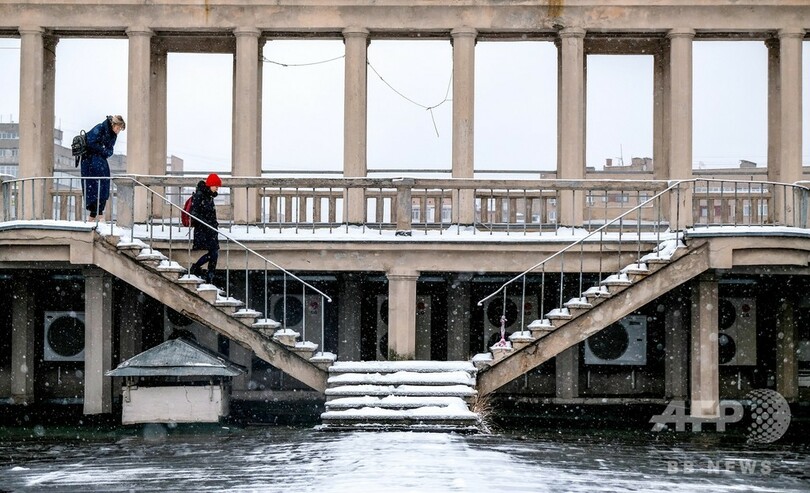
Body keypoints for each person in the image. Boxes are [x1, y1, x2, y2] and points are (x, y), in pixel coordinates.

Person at [81, 115, 125, 222]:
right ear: (113, 124)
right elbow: (91, 142)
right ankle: (99, 217)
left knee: (102, 187)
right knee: (95, 188)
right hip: (90, 162)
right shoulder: (100, 128)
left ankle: (94, 218)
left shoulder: (112, 135)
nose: (118, 131)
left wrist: (105, 152)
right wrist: (103, 150)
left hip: (100, 161)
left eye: (120, 129)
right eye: (118, 128)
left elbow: (110, 149)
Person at [189, 173, 222, 284]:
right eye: (216, 186)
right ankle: (198, 270)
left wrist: (214, 224)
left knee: (214, 253)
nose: (217, 188)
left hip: (211, 229)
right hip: (203, 229)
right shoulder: (200, 195)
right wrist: (207, 223)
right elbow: (194, 213)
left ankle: (208, 277)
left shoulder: (209, 196)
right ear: (210, 185)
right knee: (213, 253)